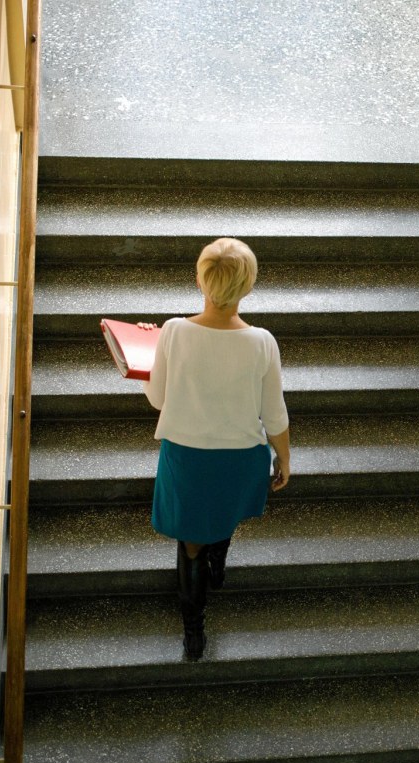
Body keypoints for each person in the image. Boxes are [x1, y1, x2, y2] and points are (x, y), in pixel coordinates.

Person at [140, 237, 290, 660]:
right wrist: (285, 458)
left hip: (188, 459)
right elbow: (275, 415)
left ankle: (194, 632)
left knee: (189, 543)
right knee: (224, 518)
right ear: (249, 286)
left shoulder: (173, 331)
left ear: (200, 280)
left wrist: (156, 354)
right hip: (240, 460)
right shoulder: (263, 341)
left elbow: (157, 398)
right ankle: (219, 566)